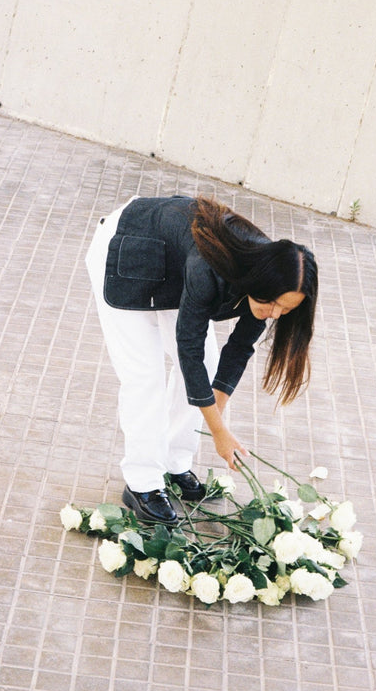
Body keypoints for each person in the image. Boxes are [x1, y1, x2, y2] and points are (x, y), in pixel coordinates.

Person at [86, 195, 318, 525]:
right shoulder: (209, 269)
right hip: (128, 251)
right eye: (274, 305)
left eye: (287, 309)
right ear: (259, 282)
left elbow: (239, 348)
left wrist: (217, 410)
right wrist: (219, 431)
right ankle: (143, 484)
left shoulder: (271, 278)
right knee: (144, 376)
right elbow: (188, 349)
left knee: (206, 366)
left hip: (171, 265)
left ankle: (174, 463)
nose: (276, 314)